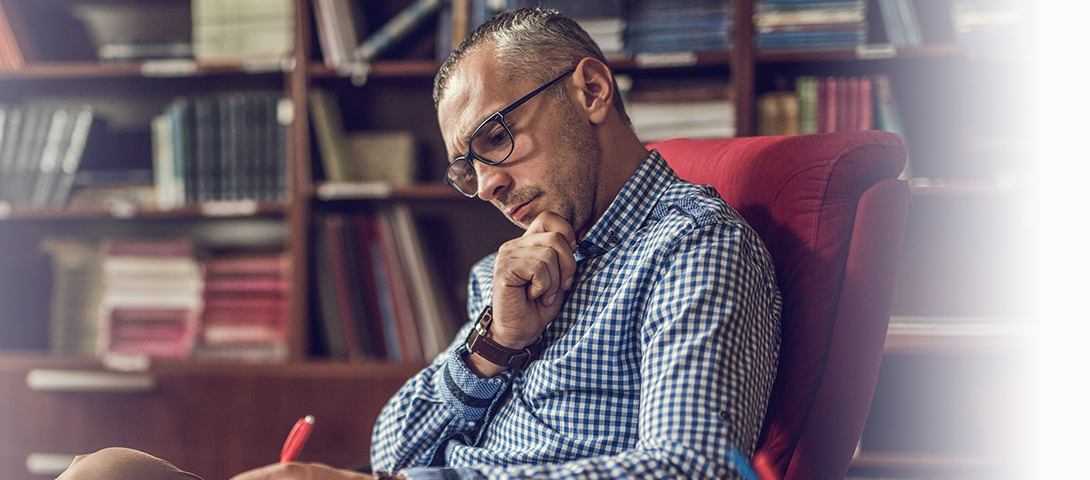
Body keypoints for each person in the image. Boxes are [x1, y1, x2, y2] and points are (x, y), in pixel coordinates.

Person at [60, 8, 781, 480]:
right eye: (469, 168)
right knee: (106, 471)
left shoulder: (691, 248)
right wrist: (493, 345)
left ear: (591, 90)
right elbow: (394, 450)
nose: (490, 184)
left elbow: (693, 468)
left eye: (497, 138)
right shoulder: (511, 272)